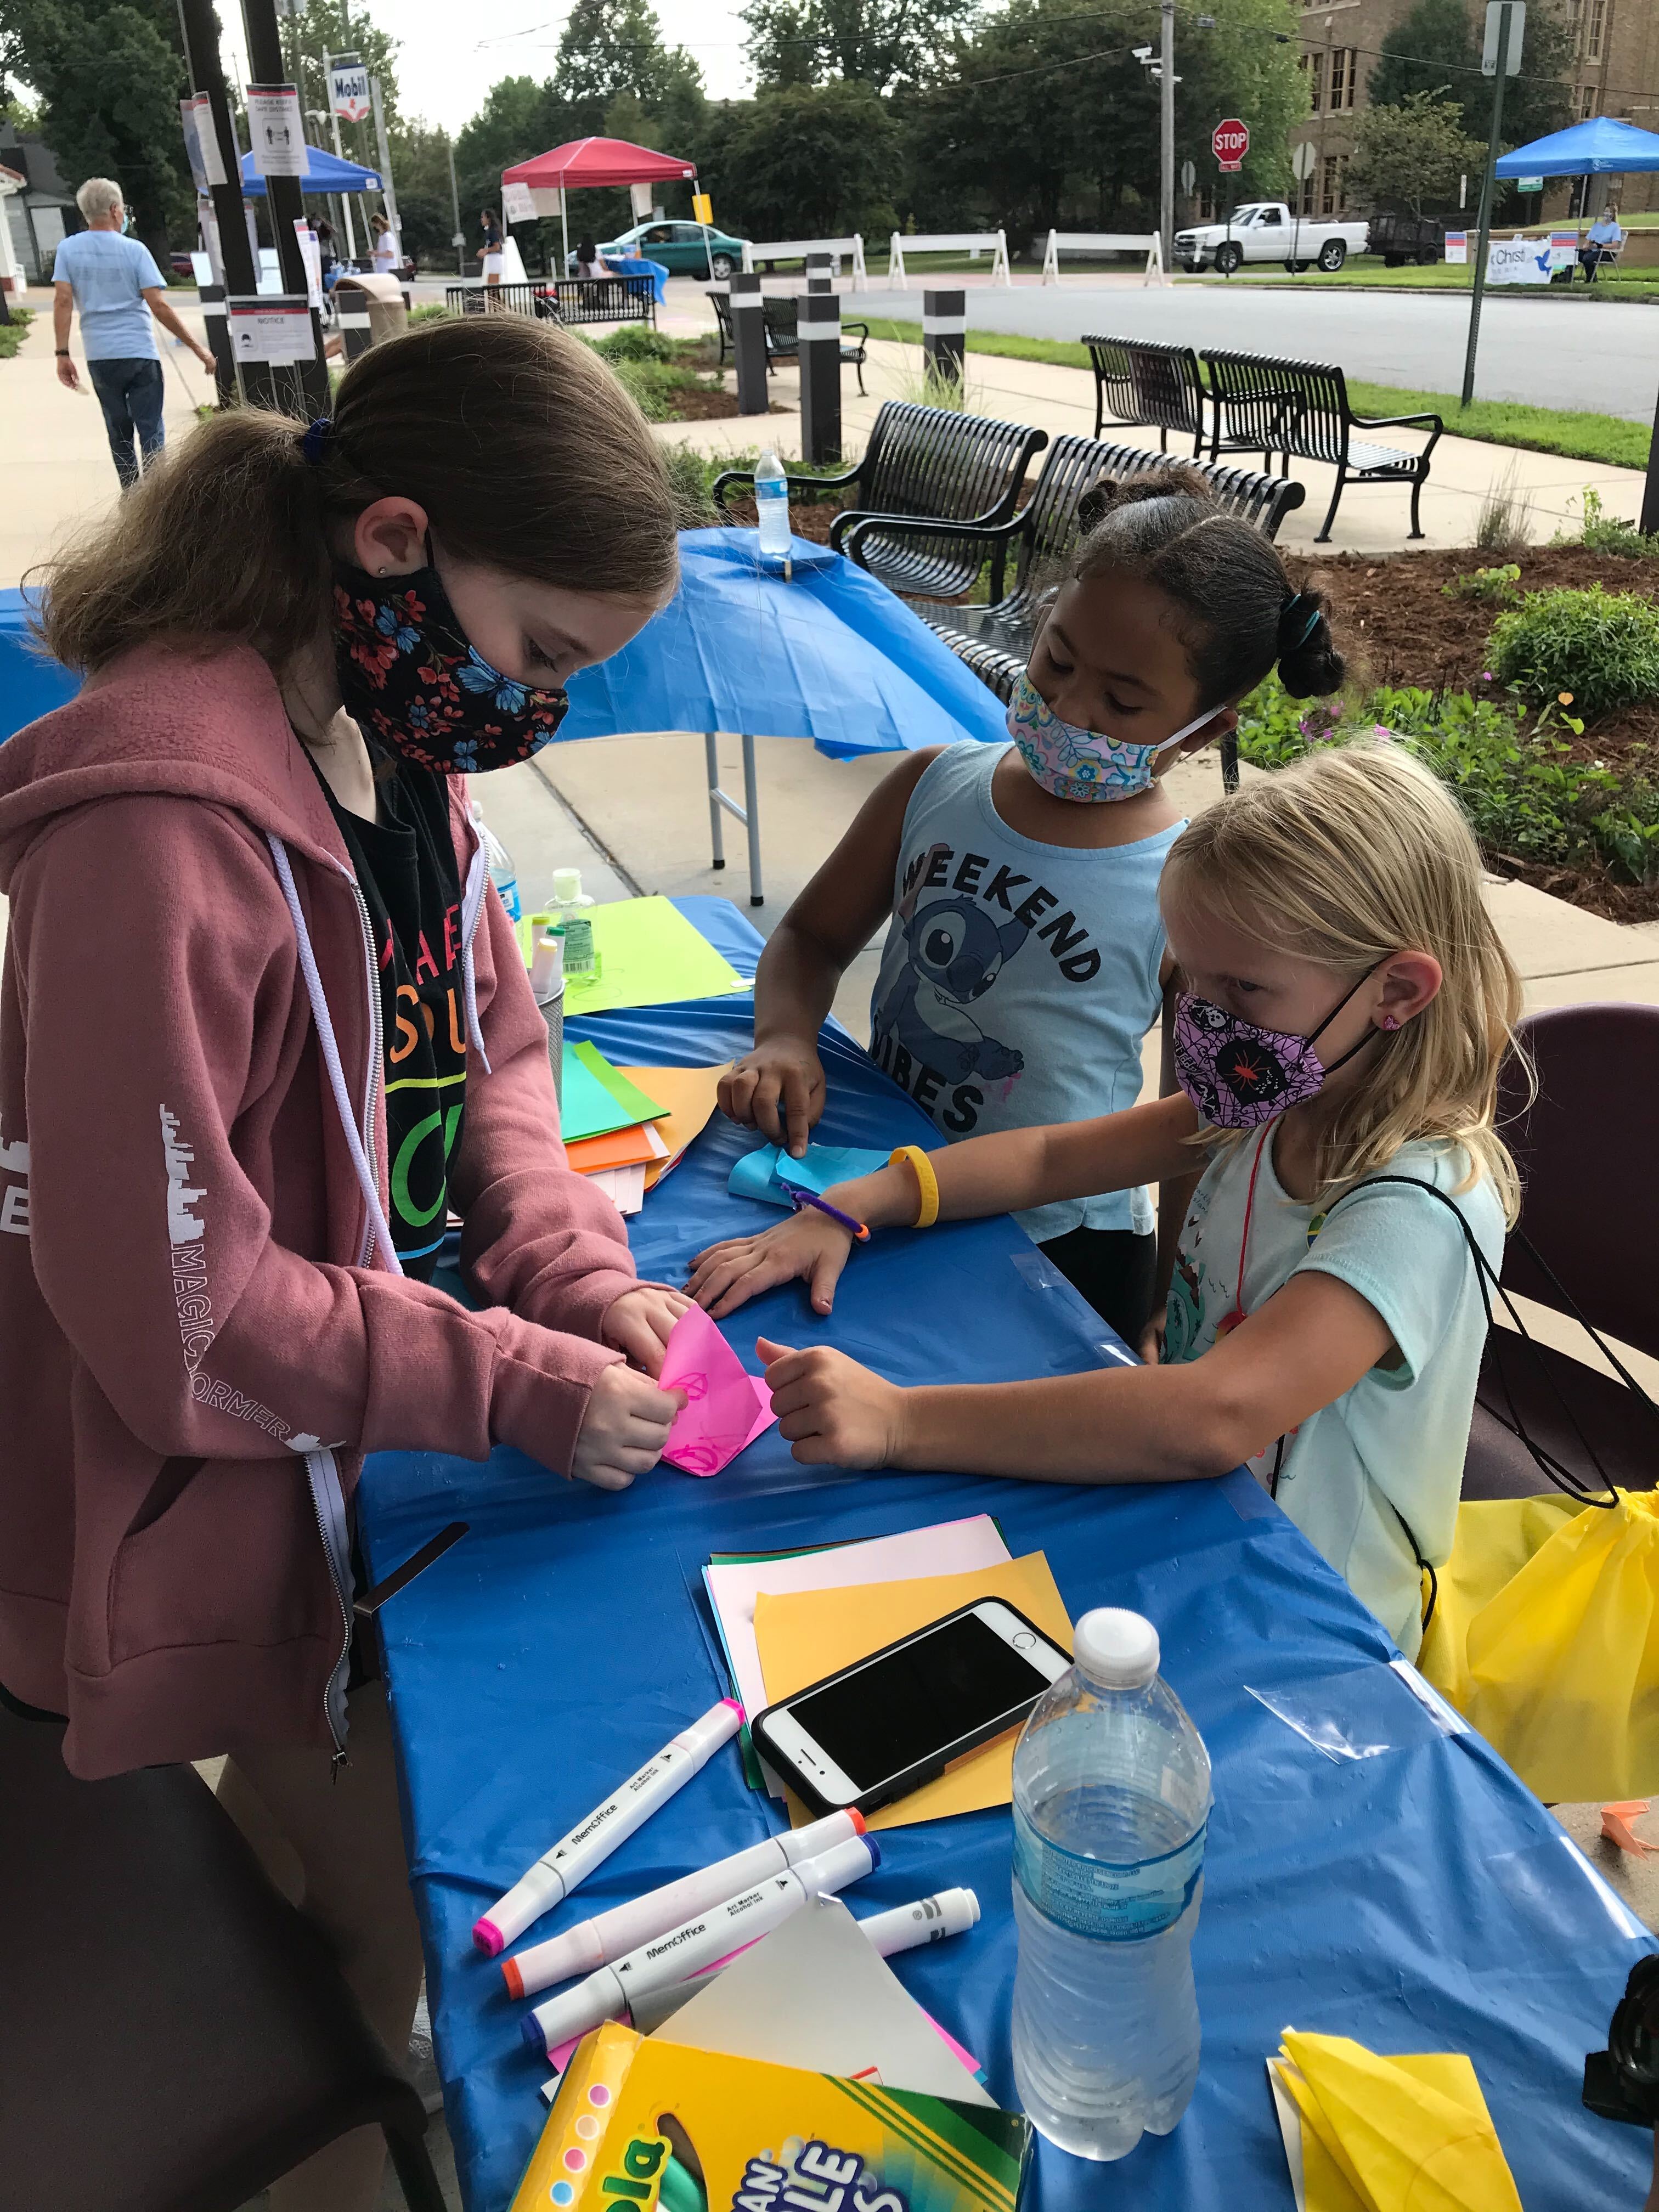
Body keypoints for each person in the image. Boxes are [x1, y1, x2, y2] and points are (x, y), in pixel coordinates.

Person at [0, 316, 687, 2212]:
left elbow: (497, 1056)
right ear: (393, 545)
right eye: (540, 656)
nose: (540, 712)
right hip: (208, 1482)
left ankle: (313, 2057)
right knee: (392, 1912)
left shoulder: (399, 746)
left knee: (343, 1880)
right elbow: (183, 1318)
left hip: (351, 1448)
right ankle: (328, 2131)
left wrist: (566, 1270)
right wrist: (509, 1379)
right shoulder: (157, 836)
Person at [690, 744, 1521, 1660]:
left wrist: (899, 1422)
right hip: (1200, 1524)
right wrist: (858, 1203)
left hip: (1310, 1614)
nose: (1203, 1019)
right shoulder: (1267, 1099)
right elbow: (1049, 1156)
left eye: (1243, 988)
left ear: (1396, 991)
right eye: (1192, 980)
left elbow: (1213, 1416)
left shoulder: (1416, 1204)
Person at [717, 467, 1346, 1346]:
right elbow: (811, 937)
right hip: (876, 1180)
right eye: (1057, 660)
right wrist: (784, 1036)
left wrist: (1164, 1298)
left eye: (1123, 701)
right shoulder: (931, 784)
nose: (1070, 708)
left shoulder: (1192, 890)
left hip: (1062, 1242)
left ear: (1203, 730)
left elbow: (1189, 1130)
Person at [52, 174, 216, 489]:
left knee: (118, 431)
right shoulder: (135, 250)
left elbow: (62, 301)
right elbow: (159, 306)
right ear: (115, 210)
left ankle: (130, 495)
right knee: (151, 429)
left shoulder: (68, 250)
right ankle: (154, 501)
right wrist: (199, 349)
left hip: (101, 356)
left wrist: (62, 354)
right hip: (140, 353)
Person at [1581, 201, 1624, 283]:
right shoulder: (1596, 226)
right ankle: (1567, 277)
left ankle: (1591, 280)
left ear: (1613, 215)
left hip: (1607, 253)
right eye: (1606, 211)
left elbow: (1615, 245)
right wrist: (1585, 246)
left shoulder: (1615, 227)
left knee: (1587, 258)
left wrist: (1600, 246)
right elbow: (1588, 239)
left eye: (1609, 212)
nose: (1607, 214)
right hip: (1592, 250)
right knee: (1576, 255)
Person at [478, 206, 504, 294]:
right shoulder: (489, 231)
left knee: (493, 288)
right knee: (491, 287)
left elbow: (497, 247)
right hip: (492, 260)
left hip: (495, 260)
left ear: (488, 218)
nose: (481, 220)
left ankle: (496, 302)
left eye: (483, 217)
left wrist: (485, 250)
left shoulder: (493, 231)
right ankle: (494, 302)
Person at [371, 209, 398, 276]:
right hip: (382, 270)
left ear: (378, 224)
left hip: (388, 270)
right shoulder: (382, 237)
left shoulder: (387, 237)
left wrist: (377, 254)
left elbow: (390, 254)